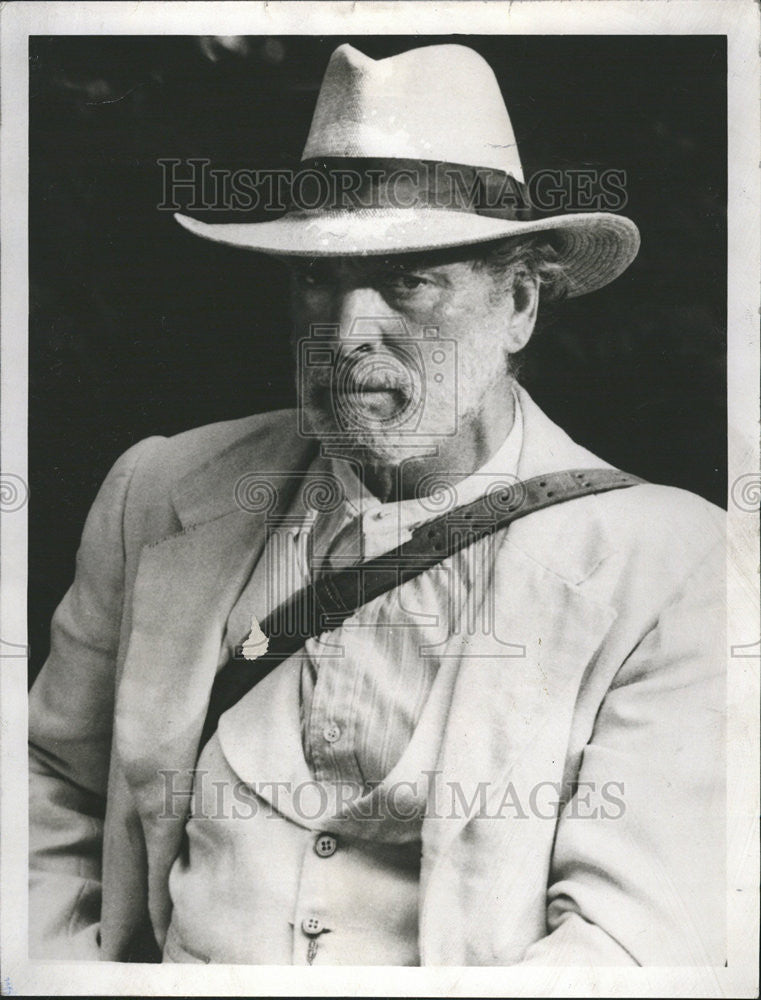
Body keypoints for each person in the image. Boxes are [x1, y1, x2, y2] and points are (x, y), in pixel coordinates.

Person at [29, 42, 725, 966]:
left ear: (517, 302)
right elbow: (48, 790)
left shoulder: (667, 564)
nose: (345, 331)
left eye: (408, 279)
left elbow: (634, 943)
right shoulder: (160, 494)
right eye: (317, 277)